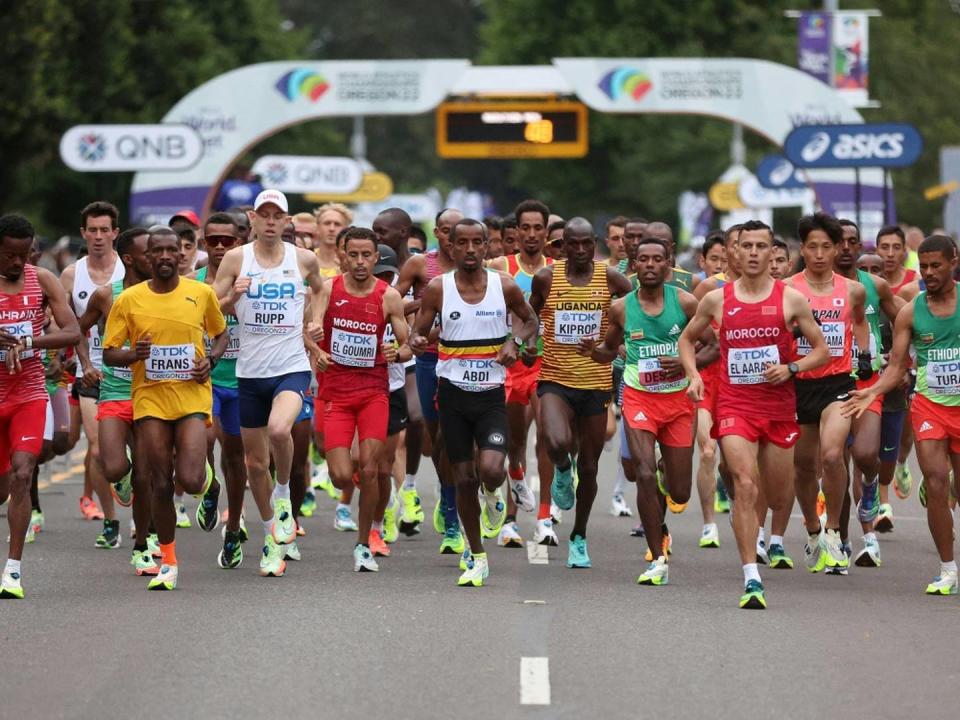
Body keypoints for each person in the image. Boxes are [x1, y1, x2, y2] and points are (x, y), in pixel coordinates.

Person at [679, 219, 829, 609]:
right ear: (734, 251)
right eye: (746, 246)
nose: (753, 253)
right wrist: (693, 374)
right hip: (735, 406)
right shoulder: (716, 299)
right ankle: (751, 577)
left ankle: (778, 531)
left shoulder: (790, 299)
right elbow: (686, 339)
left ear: (772, 252)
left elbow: (821, 350)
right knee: (744, 483)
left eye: (761, 247)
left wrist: (792, 368)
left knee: (778, 495)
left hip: (778, 407)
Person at [412, 219, 538, 586]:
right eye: (461, 242)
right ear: (450, 247)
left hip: (490, 396)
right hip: (451, 394)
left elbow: (530, 322)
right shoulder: (438, 288)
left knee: (491, 469)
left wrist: (515, 342)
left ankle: (493, 493)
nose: (469, 249)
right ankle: (477, 554)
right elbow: (420, 332)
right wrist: (418, 342)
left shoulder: (505, 286)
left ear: (487, 246)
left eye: (476, 242)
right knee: (462, 477)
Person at [102, 226, 227, 591]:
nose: (167, 257)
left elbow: (221, 334)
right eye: (158, 251)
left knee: (188, 480)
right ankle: (168, 561)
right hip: (150, 399)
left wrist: (212, 360)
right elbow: (110, 352)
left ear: (181, 254)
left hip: (190, 397)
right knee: (158, 481)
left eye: (173, 250)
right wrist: (132, 355)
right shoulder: (128, 299)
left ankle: (209, 483)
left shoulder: (200, 294)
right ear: (148, 257)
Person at [214, 190, 325, 578]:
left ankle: (283, 495)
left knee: (281, 428)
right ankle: (268, 537)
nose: (272, 221)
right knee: (253, 464)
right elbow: (210, 309)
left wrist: (317, 321)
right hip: (249, 373)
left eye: (278, 215)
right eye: (265, 214)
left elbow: (320, 287)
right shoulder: (235, 258)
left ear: (287, 220)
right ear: (253, 218)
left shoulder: (303, 258)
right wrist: (231, 298)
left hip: (291, 366)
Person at [843, 235, 960, 594]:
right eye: (923, 267)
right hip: (929, 407)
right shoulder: (911, 311)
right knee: (937, 481)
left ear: (953, 261)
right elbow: (896, 367)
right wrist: (873, 391)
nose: (929, 273)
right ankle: (947, 569)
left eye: (936, 266)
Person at [586, 235, 698, 584]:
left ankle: (667, 474)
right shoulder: (621, 308)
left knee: (679, 491)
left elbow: (711, 348)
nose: (650, 265)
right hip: (638, 397)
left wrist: (683, 364)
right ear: (634, 266)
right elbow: (608, 348)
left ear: (668, 264)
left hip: (678, 402)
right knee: (643, 473)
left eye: (657, 259)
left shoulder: (686, 303)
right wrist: (593, 351)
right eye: (643, 259)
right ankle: (657, 557)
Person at [529, 218, 632, 567]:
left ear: (594, 245)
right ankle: (560, 469)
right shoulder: (547, 277)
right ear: (562, 245)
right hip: (555, 377)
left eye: (587, 243)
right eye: (573, 244)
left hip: (596, 381)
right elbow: (530, 316)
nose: (580, 250)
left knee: (589, 467)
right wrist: (526, 341)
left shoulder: (611, 278)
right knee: (554, 441)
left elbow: (634, 313)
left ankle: (579, 536)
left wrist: (614, 343)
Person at [313, 228, 409, 571]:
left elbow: (408, 343)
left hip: (373, 393)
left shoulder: (388, 296)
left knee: (370, 469)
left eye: (366, 255)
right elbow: (306, 328)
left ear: (374, 257)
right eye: (353, 255)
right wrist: (316, 350)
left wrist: (397, 351)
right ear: (343, 255)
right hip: (336, 394)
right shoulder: (328, 289)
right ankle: (354, 490)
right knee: (341, 474)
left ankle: (363, 543)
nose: (359, 262)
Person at [783, 213, 870, 577]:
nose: (819, 254)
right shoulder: (787, 288)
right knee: (804, 466)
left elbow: (861, 322)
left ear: (837, 249)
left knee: (833, 456)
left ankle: (834, 530)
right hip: (799, 385)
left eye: (826, 247)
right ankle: (813, 530)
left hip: (838, 384)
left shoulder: (852, 290)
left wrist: (864, 356)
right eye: (812, 247)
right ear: (802, 249)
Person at [0, 214, 82, 599]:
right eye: (10, 255)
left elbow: (71, 331)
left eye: (25, 254)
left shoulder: (43, 280)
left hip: (28, 394)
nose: (18, 263)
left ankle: (12, 571)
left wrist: (31, 342)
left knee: (22, 472)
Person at [77, 227, 161, 573]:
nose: (157, 258)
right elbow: (77, 329)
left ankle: (143, 543)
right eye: (148, 253)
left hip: (150, 393)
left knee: (146, 473)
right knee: (110, 464)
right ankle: (123, 479)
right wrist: (85, 365)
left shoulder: (163, 292)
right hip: (113, 389)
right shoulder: (104, 295)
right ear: (129, 259)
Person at [395, 207, 464, 553]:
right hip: (430, 360)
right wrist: (420, 314)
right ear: (437, 232)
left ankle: (455, 511)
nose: (454, 238)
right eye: (448, 231)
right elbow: (390, 303)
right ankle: (448, 496)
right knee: (435, 438)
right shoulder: (421, 265)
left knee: (463, 441)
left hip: (468, 362)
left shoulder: (479, 271)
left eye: (461, 231)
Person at [835, 219, 902, 568]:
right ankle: (851, 540)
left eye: (853, 241)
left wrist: (902, 357)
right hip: (828, 384)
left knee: (864, 455)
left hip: (867, 383)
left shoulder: (876, 286)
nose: (846, 247)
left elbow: (907, 320)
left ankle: (873, 485)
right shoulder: (810, 288)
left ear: (860, 246)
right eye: (840, 241)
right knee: (835, 466)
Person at [488, 200, 552, 548]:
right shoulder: (500, 266)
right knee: (514, 441)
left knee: (549, 436)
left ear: (546, 231)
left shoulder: (557, 269)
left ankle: (543, 517)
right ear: (515, 232)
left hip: (544, 363)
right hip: (508, 364)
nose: (530, 234)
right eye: (524, 228)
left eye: (537, 228)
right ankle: (511, 510)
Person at [60, 201, 125, 539]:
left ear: (116, 232)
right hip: (92, 373)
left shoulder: (128, 271)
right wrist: (83, 363)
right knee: (98, 449)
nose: (98, 237)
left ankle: (148, 520)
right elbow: (72, 326)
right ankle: (111, 520)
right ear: (83, 233)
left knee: (138, 452)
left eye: (105, 230)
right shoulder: (73, 274)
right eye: (92, 230)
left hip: (129, 372)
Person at [193, 213, 249, 569]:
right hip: (206, 378)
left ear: (238, 243)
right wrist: (228, 302)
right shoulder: (192, 284)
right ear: (203, 242)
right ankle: (210, 490)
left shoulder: (254, 279)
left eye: (227, 241)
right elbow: (200, 321)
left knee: (235, 457)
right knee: (204, 442)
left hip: (244, 378)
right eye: (212, 240)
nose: (219, 247)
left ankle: (233, 529)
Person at [876, 224, 919, 497]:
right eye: (884, 247)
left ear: (905, 251)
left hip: (912, 364)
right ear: (876, 250)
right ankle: (881, 495)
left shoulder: (915, 282)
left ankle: (902, 462)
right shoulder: (868, 282)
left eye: (896, 247)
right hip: (880, 365)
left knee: (905, 433)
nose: (890, 253)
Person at [314, 203, 352, 277]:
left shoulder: (351, 261)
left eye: (337, 224)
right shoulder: (306, 258)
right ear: (317, 227)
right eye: (327, 223)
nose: (332, 228)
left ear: (346, 228)